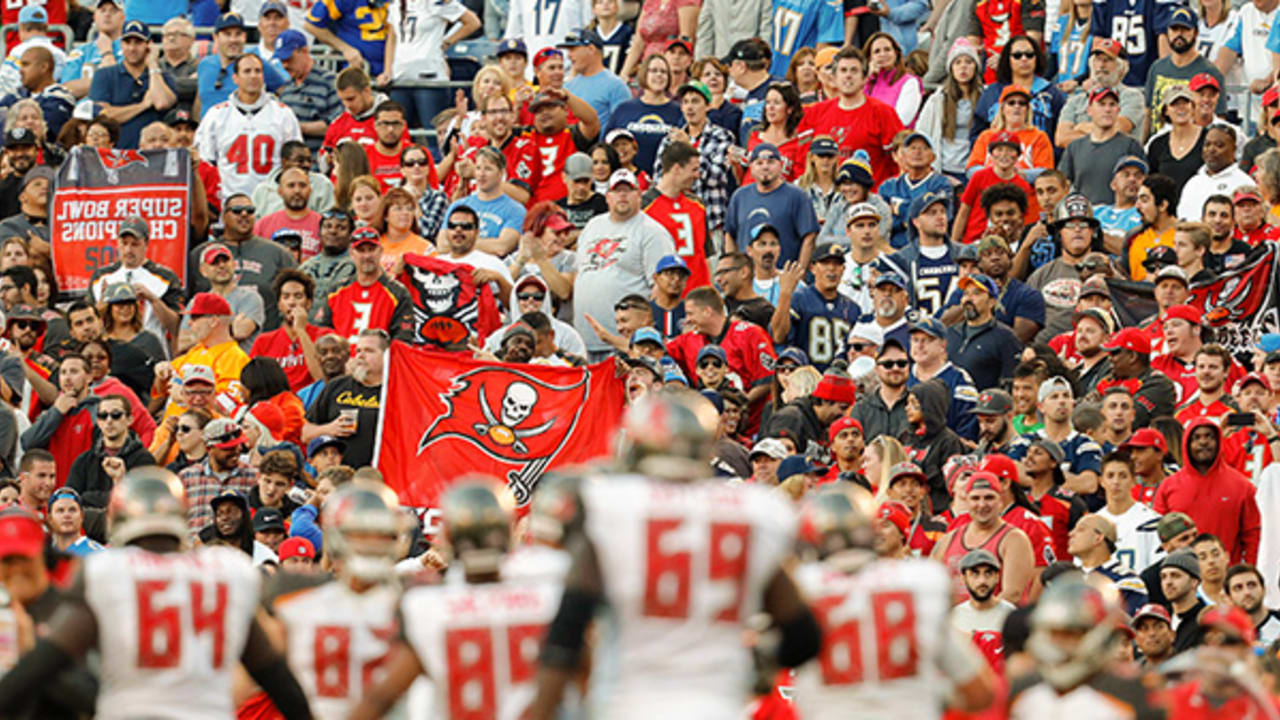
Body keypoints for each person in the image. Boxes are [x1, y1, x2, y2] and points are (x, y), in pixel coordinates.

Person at [524, 394, 822, 719]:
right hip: (717, 707)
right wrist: (758, 663)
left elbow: (566, 636)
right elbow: (803, 637)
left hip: (629, 706)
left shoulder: (610, 505)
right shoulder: (750, 512)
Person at [0, 467, 313, 717]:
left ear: (118, 521)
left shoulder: (106, 571)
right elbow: (276, 677)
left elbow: (43, 665)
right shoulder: (226, 571)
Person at [574, 169, 676, 362]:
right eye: (617, 190)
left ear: (639, 195)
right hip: (586, 340)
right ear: (607, 197)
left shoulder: (652, 232)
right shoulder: (592, 226)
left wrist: (646, 332)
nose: (622, 195)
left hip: (625, 343)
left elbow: (663, 288)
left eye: (628, 190)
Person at [196, 52, 302, 201]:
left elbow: (294, 162)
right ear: (235, 78)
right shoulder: (216, 115)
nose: (253, 76)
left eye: (258, 71)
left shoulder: (283, 114)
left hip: (271, 200)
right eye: (247, 71)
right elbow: (206, 162)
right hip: (228, 201)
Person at [1154, 417, 1261, 564]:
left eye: (1209, 436)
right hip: (1183, 577)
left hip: (1226, 576)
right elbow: (1158, 536)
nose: (1203, 442)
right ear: (1187, 444)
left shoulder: (1242, 486)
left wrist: (1248, 571)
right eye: (1196, 438)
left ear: (1218, 441)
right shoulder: (1168, 486)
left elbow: (1252, 536)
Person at [190, 195, 298, 331]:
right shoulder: (201, 253)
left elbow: (298, 297)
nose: (244, 214)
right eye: (236, 210)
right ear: (223, 216)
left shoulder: (278, 254)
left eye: (250, 210)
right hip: (213, 342)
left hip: (264, 340)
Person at [801, 46, 905, 183]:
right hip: (827, 198)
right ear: (835, 77)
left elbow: (901, 159)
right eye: (843, 70)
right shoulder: (815, 112)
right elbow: (801, 158)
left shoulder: (883, 113)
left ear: (864, 78)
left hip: (869, 197)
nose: (848, 75)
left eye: (854, 71)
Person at [932, 471, 1036, 604]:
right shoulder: (949, 539)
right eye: (975, 498)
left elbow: (1013, 594)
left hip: (997, 622)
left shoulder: (1014, 539)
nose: (982, 505)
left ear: (1000, 501)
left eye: (989, 498)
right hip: (956, 622)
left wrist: (975, 616)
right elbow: (934, 589)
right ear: (967, 500)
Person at [88, 215, 184, 344]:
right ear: (117, 243)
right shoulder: (101, 276)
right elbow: (88, 322)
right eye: (124, 243)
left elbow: (176, 327)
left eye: (135, 244)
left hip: (151, 348)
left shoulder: (165, 277)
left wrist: (153, 299)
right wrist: (100, 306)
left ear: (146, 243)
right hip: (111, 350)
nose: (128, 250)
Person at [725, 144, 820, 269]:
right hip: (748, 280)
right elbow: (730, 235)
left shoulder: (797, 196)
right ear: (751, 168)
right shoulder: (739, 196)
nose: (765, 167)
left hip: (783, 276)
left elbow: (809, 237)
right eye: (759, 163)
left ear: (780, 165)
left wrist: (798, 274)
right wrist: (733, 269)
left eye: (770, 162)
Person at [302, 329, 385, 469]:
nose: (361, 356)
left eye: (369, 351)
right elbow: (305, 433)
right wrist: (330, 428)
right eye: (358, 351)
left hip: (376, 477)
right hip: (336, 477)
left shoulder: (393, 391)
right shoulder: (337, 385)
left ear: (386, 355)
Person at [87, 20, 177, 148]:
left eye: (138, 42)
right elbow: (104, 117)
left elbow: (162, 103)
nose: (132, 48)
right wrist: (143, 105)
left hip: (153, 154)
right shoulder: (105, 75)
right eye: (127, 42)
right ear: (121, 44)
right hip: (116, 154)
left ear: (148, 45)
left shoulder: (162, 77)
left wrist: (152, 64)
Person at [643, 140, 712, 292]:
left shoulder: (698, 205)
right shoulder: (643, 207)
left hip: (698, 294)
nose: (697, 175)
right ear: (676, 169)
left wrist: (711, 289)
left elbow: (706, 255)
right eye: (693, 170)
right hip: (664, 296)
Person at [64, 393, 155, 508]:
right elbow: (69, 500)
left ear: (129, 420)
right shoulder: (84, 460)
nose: (109, 420)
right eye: (103, 415)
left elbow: (141, 502)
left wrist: (88, 497)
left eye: (116, 415)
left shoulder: (143, 459)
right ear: (98, 421)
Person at [19, 353, 96, 486]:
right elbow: (27, 443)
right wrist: (57, 412)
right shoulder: (52, 413)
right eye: (63, 373)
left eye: (74, 372)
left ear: (89, 377)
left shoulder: (99, 411)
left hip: (86, 492)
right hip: (54, 494)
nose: (67, 377)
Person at [1060, 88, 1146, 205]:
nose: (1107, 109)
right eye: (1101, 104)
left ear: (1118, 110)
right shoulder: (1074, 148)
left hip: (1120, 218)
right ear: (1089, 110)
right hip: (1085, 218)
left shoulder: (1131, 146)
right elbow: (1062, 185)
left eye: (1112, 105)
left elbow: (1143, 185)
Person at [945, 274, 1023, 391]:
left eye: (976, 293)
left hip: (982, 406)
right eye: (966, 294)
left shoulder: (1005, 337)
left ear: (991, 302)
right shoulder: (950, 333)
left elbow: (1011, 383)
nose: (968, 299)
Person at [0, 45, 73, 144]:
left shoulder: (61, 99)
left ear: (44, 67)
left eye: (26, 65)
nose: (20, 71)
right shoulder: (15, 95)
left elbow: (40, 134)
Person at [1177, 126, 1252, 220]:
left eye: (1219, 145)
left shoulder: (1244, 183)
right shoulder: (1193, 182)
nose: (1211, 150)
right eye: (1207, 145)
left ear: (1234, 149)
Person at [952, 548, 1018, 633]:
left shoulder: (1009, 615)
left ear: (997, 577)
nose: (982, 581)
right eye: (975, 574)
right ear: (963, 579)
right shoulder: (955, 617)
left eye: (988, 573)